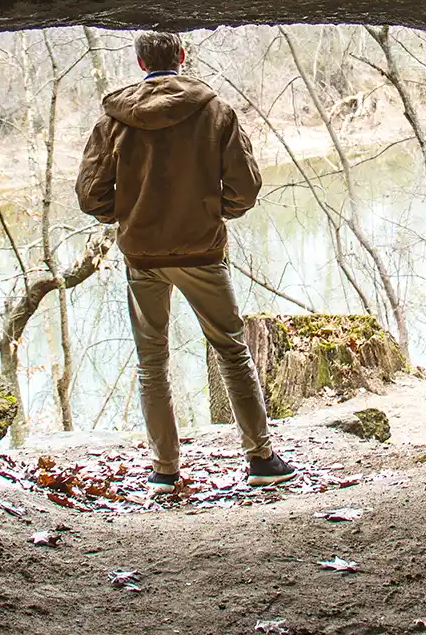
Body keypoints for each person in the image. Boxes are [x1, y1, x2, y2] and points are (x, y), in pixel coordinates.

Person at [75, 30, 298, 492]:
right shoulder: (215, 111)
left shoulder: (113, 121)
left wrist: (126, 217)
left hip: (142, 255)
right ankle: (260, 458)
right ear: (180, 56)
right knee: (233, 352)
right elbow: (246, 187)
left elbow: (90, 193)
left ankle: (164, 468)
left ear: (140, 65)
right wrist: (216, 213)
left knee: (151, 361)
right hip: (202, 250)